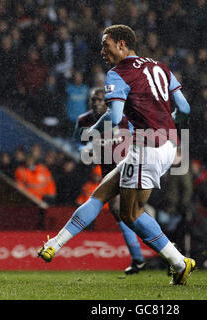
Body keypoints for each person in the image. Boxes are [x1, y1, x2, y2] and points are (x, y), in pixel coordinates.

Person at [38, 24, 194, 285]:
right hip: (168, 144)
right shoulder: (160, 66)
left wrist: (93, 130)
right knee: (102, 194)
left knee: (129, 214)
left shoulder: (117, 74)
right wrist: (167, 123)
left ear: (122, 44)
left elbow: (116, 116)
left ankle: (179, 261)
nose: (102, 50)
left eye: (106, 44)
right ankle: (54, 243)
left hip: (147, 147)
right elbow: (185, 108)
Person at [72, 87, 147, 275]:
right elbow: (77, 141)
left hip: (128, 167)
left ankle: (148, 255)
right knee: (126, 213)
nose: (96, 103)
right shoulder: (83, 120)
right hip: (107, 170)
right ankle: (149, 255)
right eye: (93, 100)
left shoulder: (120, 117)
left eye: (100, 100)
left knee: (124, 211)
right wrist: (87, 148)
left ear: (107, 102)